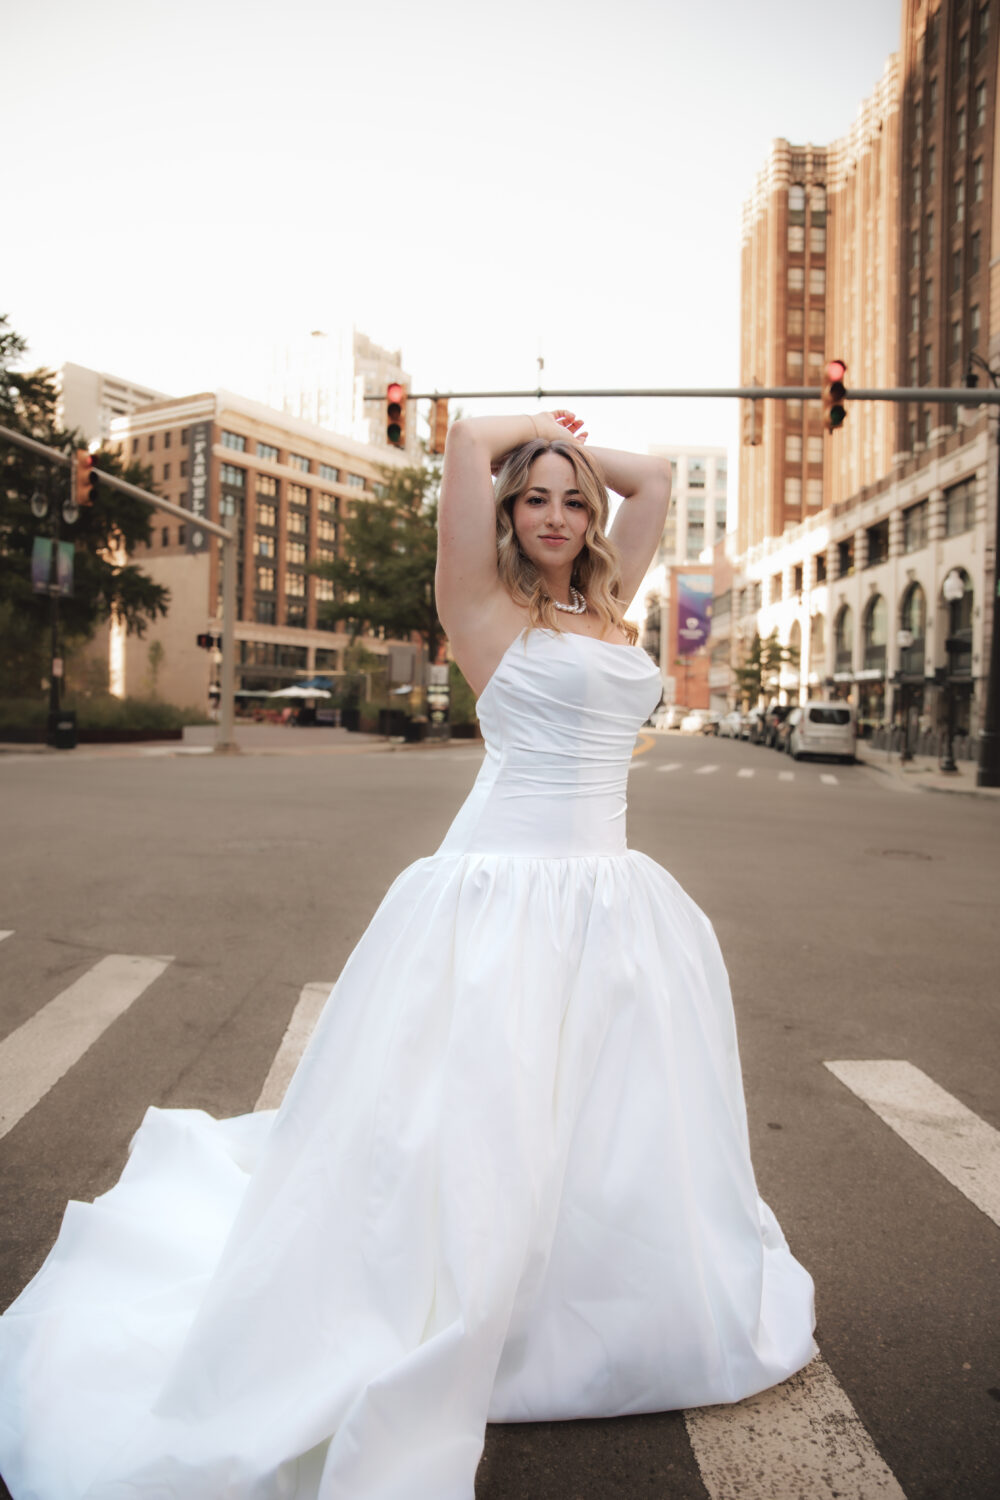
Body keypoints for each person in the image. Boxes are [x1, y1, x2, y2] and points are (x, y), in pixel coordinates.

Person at [0, 412, 816, 1500]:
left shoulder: (609, 608)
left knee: (601, 1112)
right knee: (484, 1109)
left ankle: (579, 1291)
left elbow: (657, 473)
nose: (562, 515)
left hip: (611, 891)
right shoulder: (476, 603)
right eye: (537, 499)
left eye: (576, 500)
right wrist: (536, 435)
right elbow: (470, 439)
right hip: (503, 885)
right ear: (507, 515)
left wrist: (573, 451)